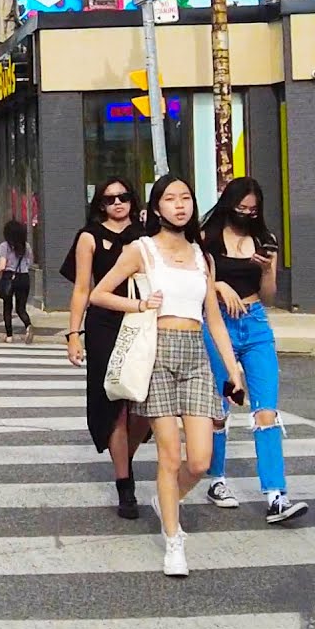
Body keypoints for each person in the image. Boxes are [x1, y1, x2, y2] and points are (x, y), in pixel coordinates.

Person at [89, 175, 246, 577]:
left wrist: (233, 370)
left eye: (186, 198)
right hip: (157, 352)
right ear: (156, 208)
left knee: (200, 459)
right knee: (169, 455)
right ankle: (173, 542)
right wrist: (140, 304)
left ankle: (167, 499)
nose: (180, 205)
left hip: (195, 355)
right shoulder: (141, 249)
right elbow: (98, 294)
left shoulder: (201, 256)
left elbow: (213, 319)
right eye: (171, 199)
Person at [199, 178, 308, 523]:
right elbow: (195, 281)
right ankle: (216, 479)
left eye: (252, 210)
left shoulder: (265, 240)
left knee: (266, 411)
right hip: (219, 324)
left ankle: (276, 494)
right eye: (240, 208)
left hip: (256, 321)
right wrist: (218, 285)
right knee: (219, 407)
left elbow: (270, 294)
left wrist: (265, 271)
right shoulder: (208, 238)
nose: (246, 214)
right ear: (228, 204)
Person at [65, 176, 151, 520]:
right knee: (115, 404)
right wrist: (73, 333)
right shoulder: (89, 237)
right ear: (100, 204)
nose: (117, 203)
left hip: (143, 321)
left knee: (145, 403)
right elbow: (82, 288)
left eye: (124, 197)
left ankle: (123, 457)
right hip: (104, 326)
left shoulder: (146, 235)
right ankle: (124, 482)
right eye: (109, 198)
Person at [0, 220, 34, 343]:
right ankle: (28, 325)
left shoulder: (5, 246)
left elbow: (2, 266)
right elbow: (30, 262)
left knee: (7, 306)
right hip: (24, 277)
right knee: (21, 308)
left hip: (10, 277)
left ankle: (9, 335)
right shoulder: (26, 246)